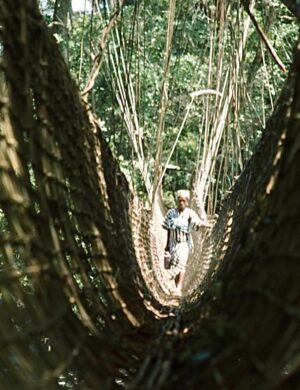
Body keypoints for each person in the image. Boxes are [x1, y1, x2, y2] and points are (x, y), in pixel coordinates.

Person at [163, 189, 210, 296]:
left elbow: (196, 222)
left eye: (184, 201)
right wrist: (167, 246)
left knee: (182, 262)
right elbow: (169, 230)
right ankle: (176, 288)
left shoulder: (190, 213)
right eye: (179, 200)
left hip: (184, 243)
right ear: (177, 201)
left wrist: (203, 225)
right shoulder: (171, 213)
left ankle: (178, 287)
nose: (181, 203)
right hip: (173, 244)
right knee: (174, 263)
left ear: (187, 202)